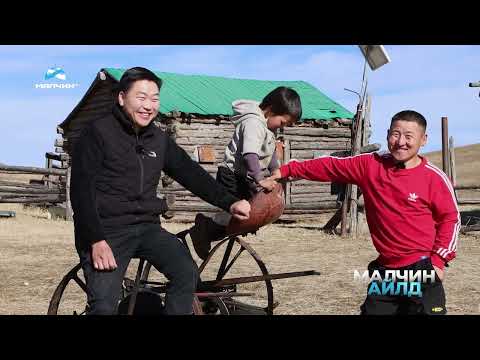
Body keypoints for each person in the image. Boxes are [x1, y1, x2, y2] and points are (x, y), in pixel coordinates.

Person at [70, 67, 251, 315]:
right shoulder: (97, 133)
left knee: (186, 273)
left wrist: (230, 202)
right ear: (122, 98)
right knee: (103, 306)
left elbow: (191, 174)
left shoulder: (157, 138)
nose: (149, 105)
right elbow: (81, 192)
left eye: (154, 99)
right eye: (141, 97)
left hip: (146, 227)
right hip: (107, 231)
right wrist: (95, 240)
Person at [267, 110, 460, 315]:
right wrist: (286, 171)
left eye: (409, 136)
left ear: (423, 140)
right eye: (395, 134)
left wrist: (439, 261)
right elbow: (331, 166)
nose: (401, 141)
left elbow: (451, 219)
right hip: (386, 270)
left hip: (421, 269)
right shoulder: (371, 165)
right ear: (387, 135)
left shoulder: (433, 178)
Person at [190, 86, 302, 260]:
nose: (282, 127)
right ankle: (204, 228)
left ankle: (213, 228)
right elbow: (250, 154)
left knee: (252, 214)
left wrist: (275, 171)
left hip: (243, 177)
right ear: (271, 110)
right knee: (238, 213)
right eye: (282, 122)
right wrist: (260, 179)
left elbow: (271, 152)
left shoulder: (268, 128)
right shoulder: (253, 123)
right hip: (231, 175)